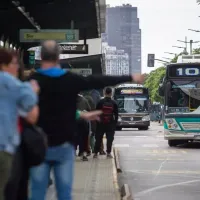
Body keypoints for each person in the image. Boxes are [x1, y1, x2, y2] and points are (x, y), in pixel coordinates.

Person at [28, 40, 144, 200]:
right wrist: (130, 77)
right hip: (64, 145)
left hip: (38, 146)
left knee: (37, 193)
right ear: (58, 57)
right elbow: (99, 80)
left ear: (41, 56)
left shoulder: (32, 81)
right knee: (64, 194)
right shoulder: (70, 80)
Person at [0, 49, 38, 200]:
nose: (17, 67)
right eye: (14, 64)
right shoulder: (11, 83)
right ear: (3, 65)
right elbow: (32, 115)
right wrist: (34, 91)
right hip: (4, 149)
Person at [94, 87, 118, 158]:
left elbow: (96, 113)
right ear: (111, 93)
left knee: (98, 138)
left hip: (101, 123)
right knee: (109, 139)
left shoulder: (100, 102)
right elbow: (116, 115)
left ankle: (95, 153)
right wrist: (114, 124)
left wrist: (97, 122)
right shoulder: (114, 103)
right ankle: (108, 153)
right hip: (110, 124)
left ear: (104, 93)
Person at [76, 94, 91, 161]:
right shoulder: (84, 100)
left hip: (74, 122)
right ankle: (83, 153)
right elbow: (89, 109)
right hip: (84, 121)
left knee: (76, 137)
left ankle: (74, 152)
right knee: (84, 137)